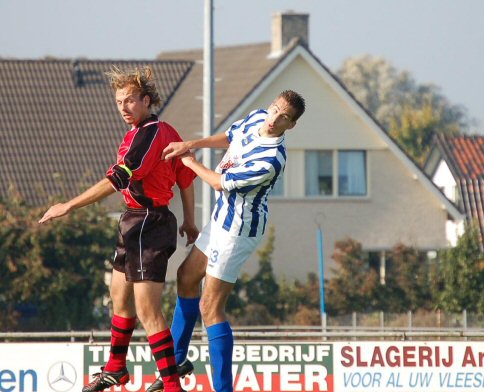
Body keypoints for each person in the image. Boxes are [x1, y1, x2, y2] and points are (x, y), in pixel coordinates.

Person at [39, 66, 199, 392]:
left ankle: (172, 386)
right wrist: (189, 220)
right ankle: (115, 369)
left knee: (147, 310)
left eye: (129, 100)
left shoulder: (150, 133)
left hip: (149, 224)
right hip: (133, 221)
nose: (123, 108)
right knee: (118, 296)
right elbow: (184, 178)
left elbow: (119, 179)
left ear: (146, 100)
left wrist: (68, 205)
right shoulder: (150, 131)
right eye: (118, 102)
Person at [145, 90, 306, 392]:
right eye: (275, 110)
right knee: (186, 277)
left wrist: (189, 162)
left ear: (291, 125)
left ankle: (223, 389)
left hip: (238, 230)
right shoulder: (258, 117)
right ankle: (176, 362)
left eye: (284, 117)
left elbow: (219, 182)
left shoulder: (271, 159)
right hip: (221, 218)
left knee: (210, 306)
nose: (275, 118)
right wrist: (192, 144)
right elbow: (230, 137)